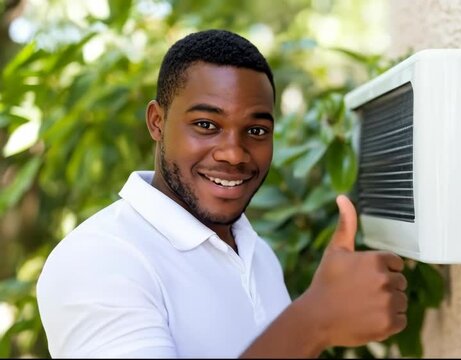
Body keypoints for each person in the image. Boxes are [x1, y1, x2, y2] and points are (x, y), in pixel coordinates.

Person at [36, 29, 407, 358]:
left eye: (257, 130)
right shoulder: (99, 259)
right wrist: (314, 321)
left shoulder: (257, 253)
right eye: (206, 124)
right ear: (157, 122)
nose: (233, 152)